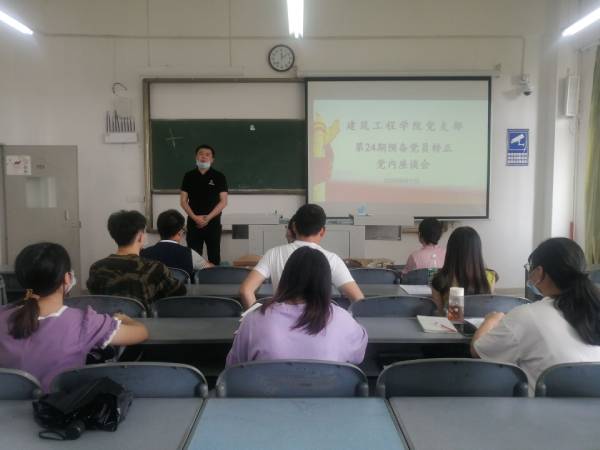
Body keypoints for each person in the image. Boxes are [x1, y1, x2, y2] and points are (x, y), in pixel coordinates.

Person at [0, 243, 148, 391]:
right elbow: (141, 333)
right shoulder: (84, 322)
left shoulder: (2, 314)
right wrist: (125, 319)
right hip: (60, 404)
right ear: (67, 278)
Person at [472, 238, 600, 395]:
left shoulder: (526, 315)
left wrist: (490, 320)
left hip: (545, 410)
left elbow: (478, 351)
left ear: (539, 272)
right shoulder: (593, 307)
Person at [227, 246, 368, 366]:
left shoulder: (254, 320)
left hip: (268, 390)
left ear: (286, 277)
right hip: (328, 390)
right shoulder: (341, 319)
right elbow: (358, 356)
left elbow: (234, 368)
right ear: (326, 282)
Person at [239, 204, 364, 309]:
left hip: (281, 324)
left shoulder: (273, 253)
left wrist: (255, 319)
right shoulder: (332, 259)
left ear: (294, 227)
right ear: (322, 231)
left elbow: (246, 290)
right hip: (318, 325)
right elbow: (358, 299)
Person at [87, 210, 186, 309]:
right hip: (145, 319)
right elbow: (180, 292)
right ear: (140, 237)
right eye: (144, 232)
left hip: (108, 318)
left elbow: (96, 298)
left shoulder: (96, 268)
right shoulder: (155, 268)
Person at [180, 144, 228, 265]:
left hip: (213, 223)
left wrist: (208, 218)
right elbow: (183, 201)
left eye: (207, 155)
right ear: (196, 157)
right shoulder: (188, 176)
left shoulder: (219, 176)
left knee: (214, 257)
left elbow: (223, 201)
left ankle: (214, 277)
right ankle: (194, 278)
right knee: (193, 259)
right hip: (193, 223)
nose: (204, 157)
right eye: (200, 154)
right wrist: (195, 218)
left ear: (212, 159)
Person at [430, 226, 497, 313]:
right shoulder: (490, 276)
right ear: (477, 250)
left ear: (450, 251)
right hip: (484, 321)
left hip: (451, 321)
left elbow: (441, 313)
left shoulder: (439, 279)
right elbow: (487, 309)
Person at [141, 209, 213, 279]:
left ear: (159, 231)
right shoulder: (190, 254)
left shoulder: (143, 254)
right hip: (183, 287)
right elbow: (211, 270)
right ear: (180, 232)